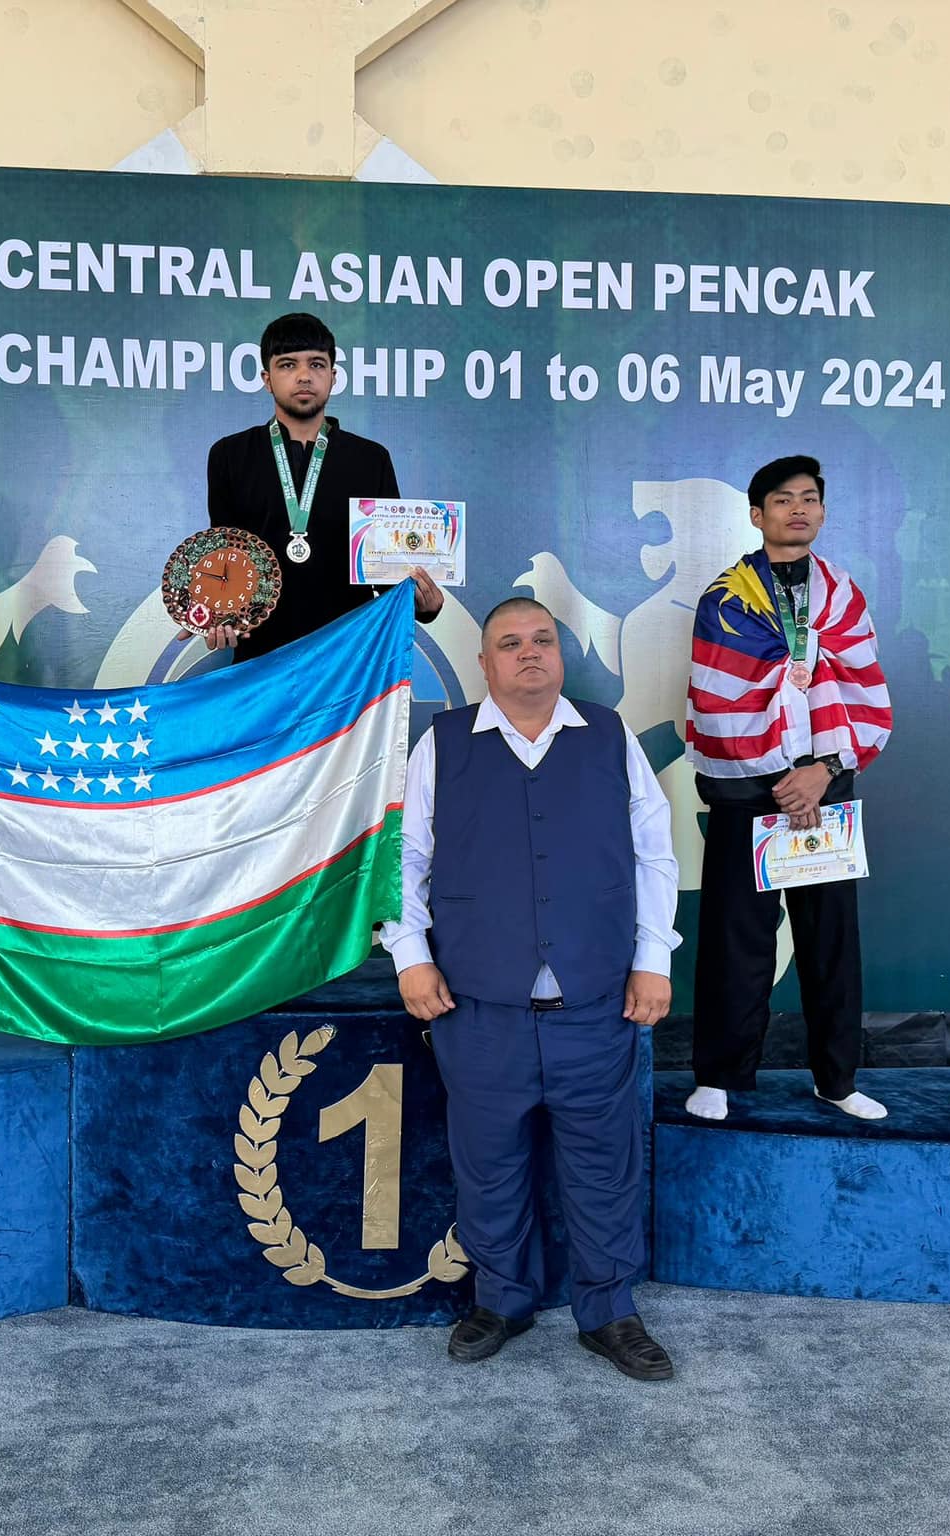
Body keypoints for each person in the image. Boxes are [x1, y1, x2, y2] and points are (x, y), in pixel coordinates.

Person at [383, 597, 681, 1381]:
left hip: (595, 1002)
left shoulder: (609, 737)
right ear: (483, 665)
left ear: (560, 655)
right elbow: (403, 860)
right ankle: (502, 1299)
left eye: (542, 640)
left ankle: (609, 1312)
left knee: (603, 1164)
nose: (529, 653)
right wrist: (410, 956)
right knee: (489, 1163)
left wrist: (656, 959)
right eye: (508, 643)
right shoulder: (442, 744)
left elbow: (655, 854)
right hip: (479, 1008)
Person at [682, 455, 893, 1124]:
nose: (797, 509)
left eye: (809, 498)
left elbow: (865, 688)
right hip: (750, 791)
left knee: (832, 940)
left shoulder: (843, 594)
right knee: (735, 940)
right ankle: (719, 1073)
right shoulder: (728, 596)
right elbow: (717, 700)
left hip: (825, 784)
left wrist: (822, 771)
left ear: (823, 512)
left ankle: (837, 1078)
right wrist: (781, 775)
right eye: (782, 500)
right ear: (757, 515)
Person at [203, 311, 442, 658]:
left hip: (348, 657)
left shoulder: (370, 459)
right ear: (267, 379)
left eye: (316, 364)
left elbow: (386, 571)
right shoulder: (230, 455)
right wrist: (214, 612)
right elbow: (226, 555)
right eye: (288, 365)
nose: (303, 376)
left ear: (333, 376)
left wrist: (423, 604)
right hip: (262, 656)